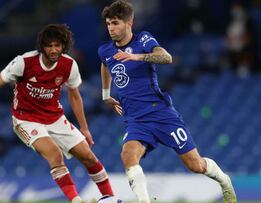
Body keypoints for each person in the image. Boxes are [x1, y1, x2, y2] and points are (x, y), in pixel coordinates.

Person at [0, 24, 113, 203]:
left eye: (58, 45)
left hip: (54, 117)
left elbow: (75, 95)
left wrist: (85, 128)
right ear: (42, 46)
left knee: (88, 156)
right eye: (49, 45)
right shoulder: (24, 62)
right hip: (26, 120)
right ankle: (76, 200)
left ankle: (110, 198)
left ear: (64, 45)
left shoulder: (69, 65)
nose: (54, 49)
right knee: (55, 155)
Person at [98, 1, 237, 203]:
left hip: (160, 113)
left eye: (116, 23)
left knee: (195, 165)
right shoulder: (105, 50)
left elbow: (166, 57)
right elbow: (105, 65)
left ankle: (224, 181)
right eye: (108, 23)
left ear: (129, 23)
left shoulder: (142, 39)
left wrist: (137, 57)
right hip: (135, 119)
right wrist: (105, 94)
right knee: (128, 155)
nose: (111, 28)